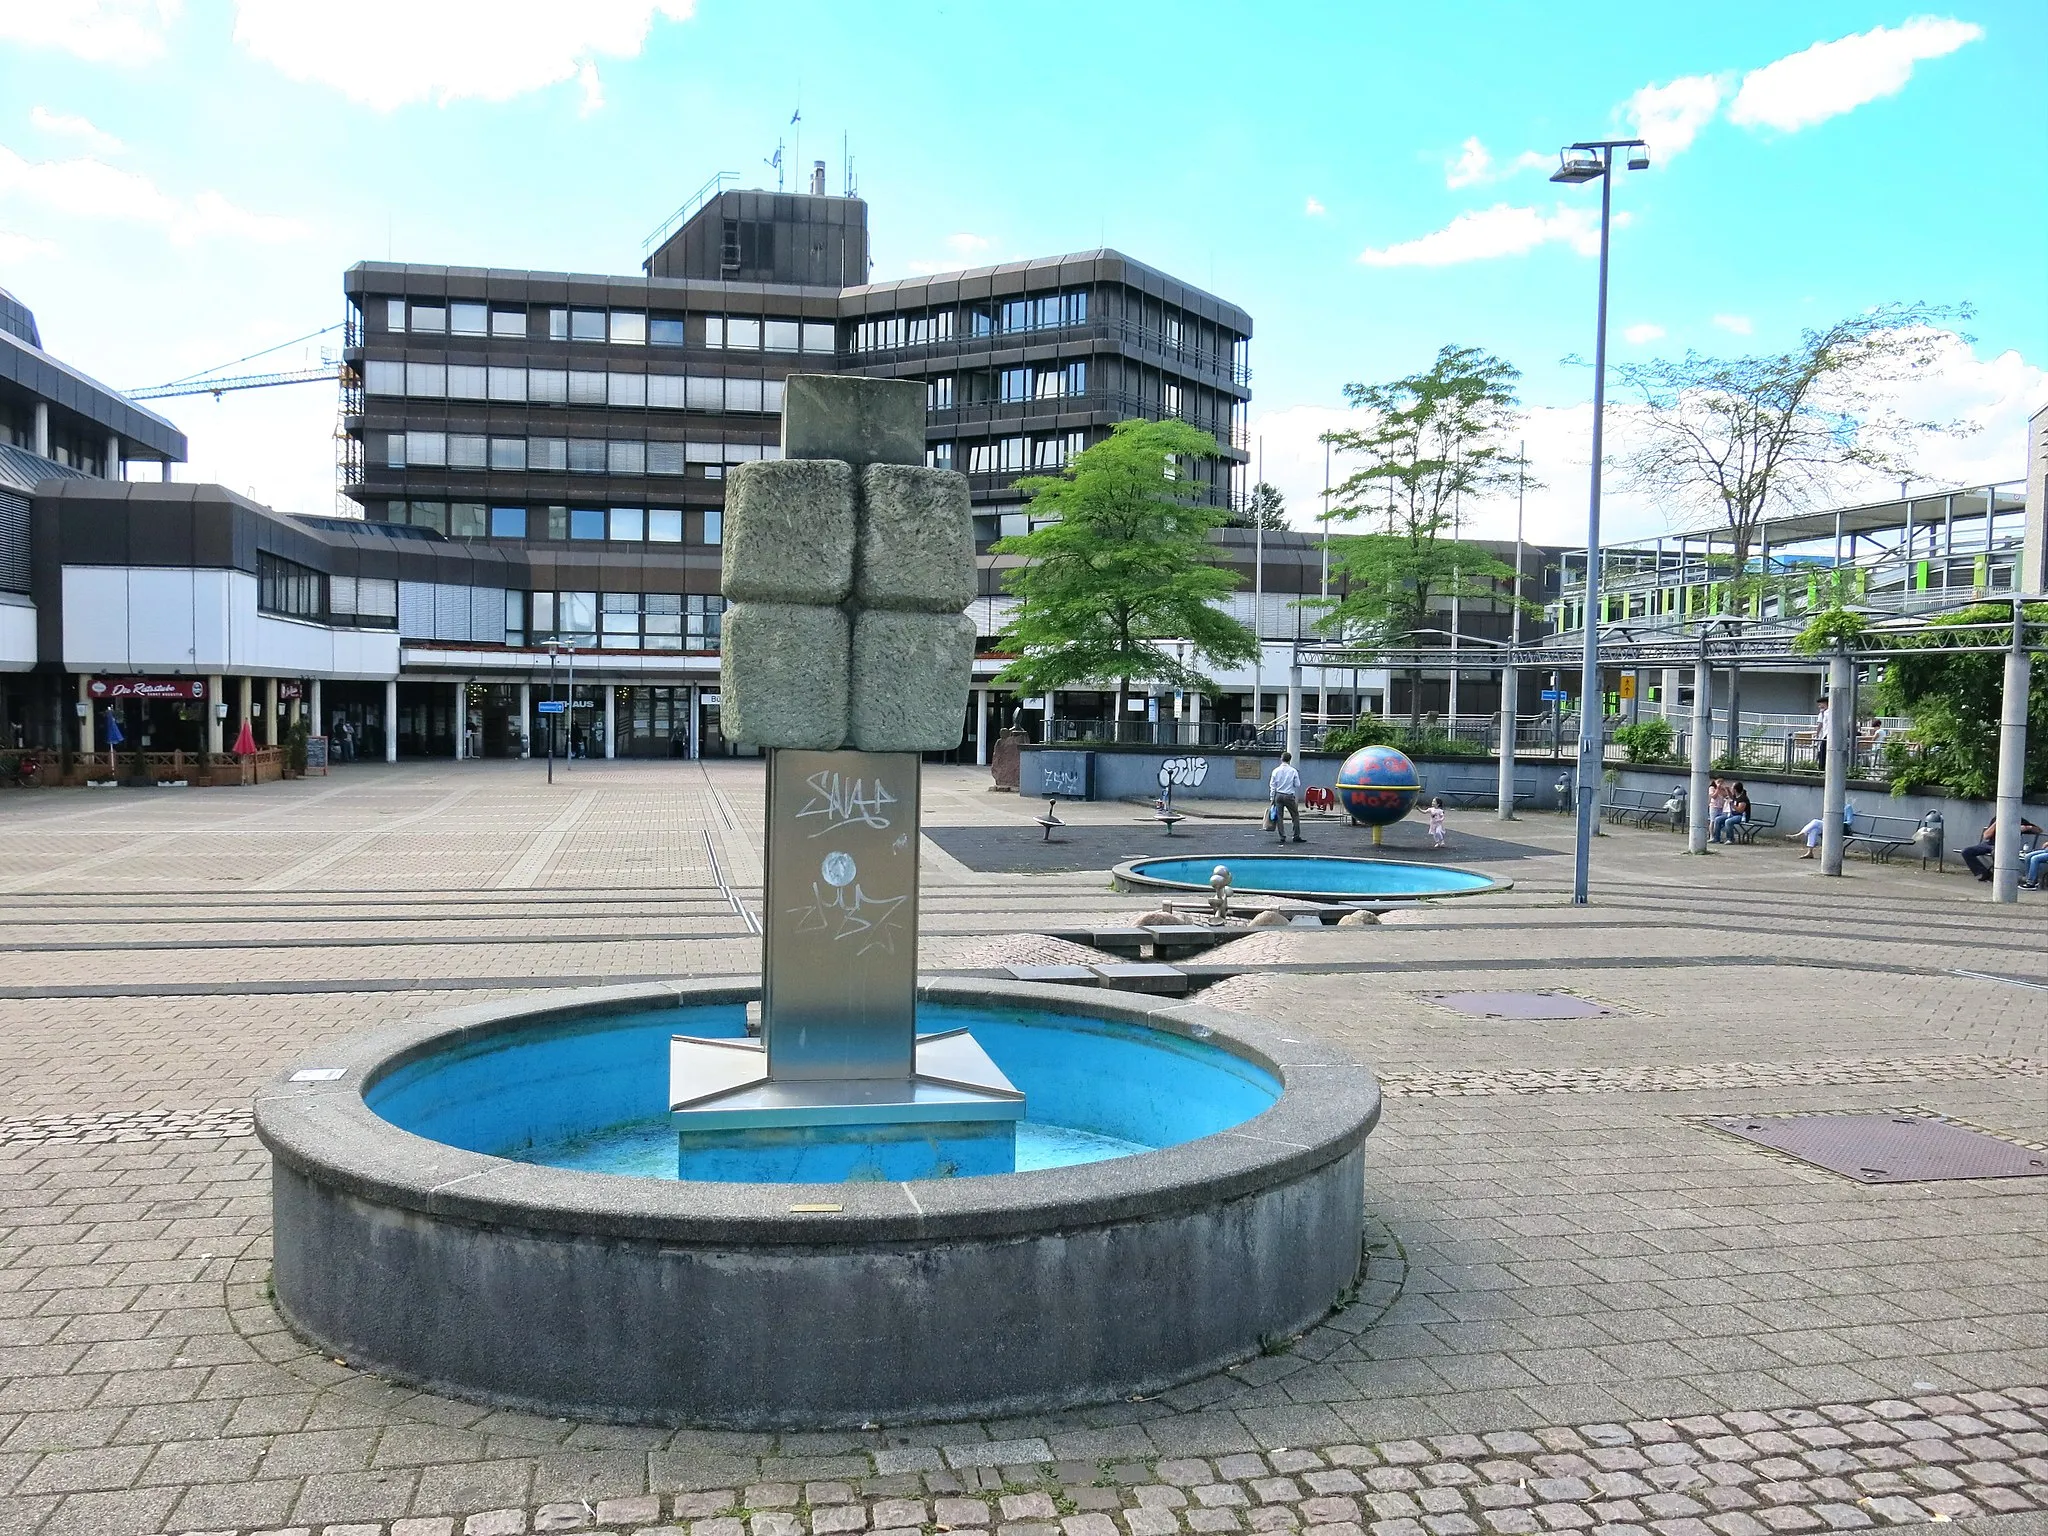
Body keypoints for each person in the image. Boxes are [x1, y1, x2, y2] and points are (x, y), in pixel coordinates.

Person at [1960, 815, 2045, 882]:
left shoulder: (2018, 820)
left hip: (2006, 845)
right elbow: (1986, 836)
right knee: (1966, 852)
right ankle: (1984, 873)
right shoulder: (1996, 819)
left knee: (1996, 852)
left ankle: (1999, 877)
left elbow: (2039, 830)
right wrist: (1996, 823)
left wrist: (2027, 827)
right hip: (1989, 844)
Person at [1268, 752, 1304, 844]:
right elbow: (1297, 784)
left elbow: (1272, 786)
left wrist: (1272, 798)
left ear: (1281, 759)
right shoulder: (1293, 771)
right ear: (1290, 760)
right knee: (1295, 815)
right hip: (1289, 795)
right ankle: (1296, 835)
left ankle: (1282, 836)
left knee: (1279, 816)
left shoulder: (1275, 771)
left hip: (1278, 795)